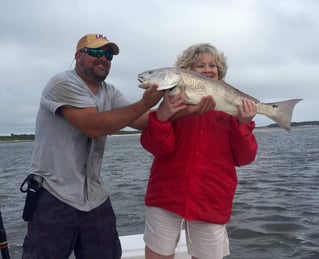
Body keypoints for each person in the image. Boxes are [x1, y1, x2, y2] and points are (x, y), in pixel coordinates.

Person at [21, 33, 164, 259]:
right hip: (53, 194)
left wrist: (176, 107)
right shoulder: (62, 83)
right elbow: (93, 126)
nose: (103, 58)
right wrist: (146, 101)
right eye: (96, 52)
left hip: (95, 197)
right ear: (78, 56)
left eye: (108, 54)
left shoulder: (110, 91)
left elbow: (140, 120)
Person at [141, 43, 258, 259]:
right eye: (200, 65)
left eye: (212, 65)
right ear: (187, 72)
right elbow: (156, 148)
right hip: (167, 194)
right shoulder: (172, 101)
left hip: (211, 198)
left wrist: (243, 124)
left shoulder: (233, 108)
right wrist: (163, 117)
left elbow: (245, 157)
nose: (208, 69)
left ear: (219, 70)